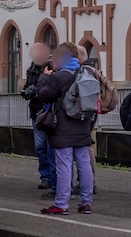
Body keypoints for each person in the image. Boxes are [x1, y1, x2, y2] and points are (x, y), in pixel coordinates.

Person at [33, 43, 97, 215]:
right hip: (83, 123)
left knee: (64, 164)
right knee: (84, 164)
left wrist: (44, 78)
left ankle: (61, 203)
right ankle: (86, 202)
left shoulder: (60, 76)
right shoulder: (87, 72)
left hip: (63, 125)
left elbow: (43, 95)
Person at [22, 42, 56, 196]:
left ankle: (51, 178)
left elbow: (50, 89)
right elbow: (29, 85)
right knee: (40, 147)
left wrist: (35, 91)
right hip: (36, 113)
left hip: (48, 113)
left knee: (50, 147)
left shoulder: (51, 67)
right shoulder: (32, 68)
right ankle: (46, 176)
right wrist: (27, 91)